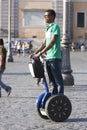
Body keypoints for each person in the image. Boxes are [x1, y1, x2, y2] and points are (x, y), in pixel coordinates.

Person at [34, 9, 64, 94]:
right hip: (48, 58)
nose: (45, 18)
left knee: (58, 80)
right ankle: (54, 98)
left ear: (52, 16)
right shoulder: (48, 28)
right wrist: (36, 52)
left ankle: (60, 97)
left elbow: (52, 42)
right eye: (44, 16)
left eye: (46, 16)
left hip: (55, 57)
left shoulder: (55, 27)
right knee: (51, 81)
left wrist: (40, 53)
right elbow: (44, 43)